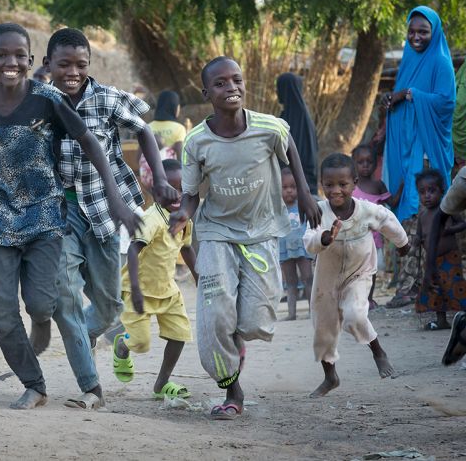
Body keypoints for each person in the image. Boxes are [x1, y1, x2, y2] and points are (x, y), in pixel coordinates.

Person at [0, 23, 139, 410]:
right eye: (1, 55)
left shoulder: (49, 99)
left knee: (42, 305)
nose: (11, 62)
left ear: (31, 61)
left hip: (46, 217)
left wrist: (117, 198)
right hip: (0, 219)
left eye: (20, 55)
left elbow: (88, 140)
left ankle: (41, 326)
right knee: (3, 316)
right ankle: (34, 384)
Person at [169, 56, 321, 420]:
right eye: (220, 83)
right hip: (218, 232)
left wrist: (303, 191)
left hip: (262, 231)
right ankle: (232, 390)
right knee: (215, 314)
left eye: (236, 80)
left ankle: (236, 342)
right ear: (207, 93)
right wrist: (183, 214)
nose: (231, 88)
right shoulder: (196, 141)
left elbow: (290, 147)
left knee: (253, 321)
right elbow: (191, 194)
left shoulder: (269, 127)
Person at [41, 27, 178, 410]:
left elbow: (145, 131)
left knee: (106, 305)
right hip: (59, 211)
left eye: (80, 65)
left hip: (104, 207)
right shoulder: (39, 103)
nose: (72, 72)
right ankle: (91, 386)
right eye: (63, 64)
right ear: (47, 64)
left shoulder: (106, 98)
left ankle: (80, 339)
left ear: (89, 65)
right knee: (63, 292)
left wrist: (162, 179)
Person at [303, 153, 410, 397]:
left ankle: (378, 351)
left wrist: (403, 243)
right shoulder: (318, 211)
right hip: (326, 278)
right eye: (329, 185)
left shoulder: (367, 210)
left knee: (354, 314)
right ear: (322, 184)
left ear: (355, 183)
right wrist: (324, 238)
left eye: (343, 184)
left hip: (359, 272)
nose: (336, 190)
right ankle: (330, 377)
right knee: (323, 327)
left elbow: (388, 220)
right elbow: (308, 240)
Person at [112, 159, 197, 399]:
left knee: (180, 334)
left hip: (167, 290)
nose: (178, 195)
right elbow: (133, 249)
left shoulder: (183, 219)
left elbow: (187, 248)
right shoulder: (152, 219)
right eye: (171, 189)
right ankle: (122, 344)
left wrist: (198, 277)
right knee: (140, 344)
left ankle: (162, 383)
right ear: (156, 191)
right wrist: (136, 289)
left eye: (182, 189)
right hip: (137, 290)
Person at [381, 6, 457, 222]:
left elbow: (446, 102)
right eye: (411, 31)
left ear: (435, 33)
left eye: (423, 31)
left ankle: (427, 252)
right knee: (404, 210)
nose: (416, 37)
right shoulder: (409, 59)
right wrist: (389, 99)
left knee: (423, 209)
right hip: (404, 141)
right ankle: (408, 253)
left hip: (426, 148)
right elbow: (400, 99)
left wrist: (409, 93)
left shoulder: (440, 61)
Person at [351, 144, 402, 309]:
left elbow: (392, 203)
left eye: (369, 162)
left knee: (370, 271)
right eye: (360, 162)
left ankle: (369, 299)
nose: (365, 165)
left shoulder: (378, 185)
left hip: (372, 239)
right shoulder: (350, 185)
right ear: (354, 164)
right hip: (352, 237)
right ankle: (355, 299)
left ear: (376, 163)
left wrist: (403, 185)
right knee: (353, 271)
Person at [413, 169, 466, 330]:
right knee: (436, 290)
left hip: (450, 257)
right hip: (432, 260)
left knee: (455, 287)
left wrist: (450, 230)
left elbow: (463, 223)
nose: (427, 195)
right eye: (422, 192)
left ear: (442, 191)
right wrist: (416, 242)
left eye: (432, 191)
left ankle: (462, 318)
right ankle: (441, 320)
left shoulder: (447, 210)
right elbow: (420, 234)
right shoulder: (422, 214)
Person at [278, 167, 313, 321]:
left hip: (303, 247)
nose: (289, 191)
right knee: (290, 282)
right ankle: (291, 313)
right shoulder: (276, 208)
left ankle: (313, 311)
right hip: (284, 249)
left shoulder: (303, 205)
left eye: (293, 187)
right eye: (285, 187)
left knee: (308, 278)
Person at [277, 72, 318, 195]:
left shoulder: (301, 119)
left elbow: (308, 157)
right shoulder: (295, 116)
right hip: (288, 184)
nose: (277, 93)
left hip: (300, 185)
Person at [138, 90, 187, 191]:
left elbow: (138, 157)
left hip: (151, 179)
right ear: (175, 107)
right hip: (172, 179)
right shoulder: (179, 128)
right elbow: (181, 157)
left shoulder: (148, 127)